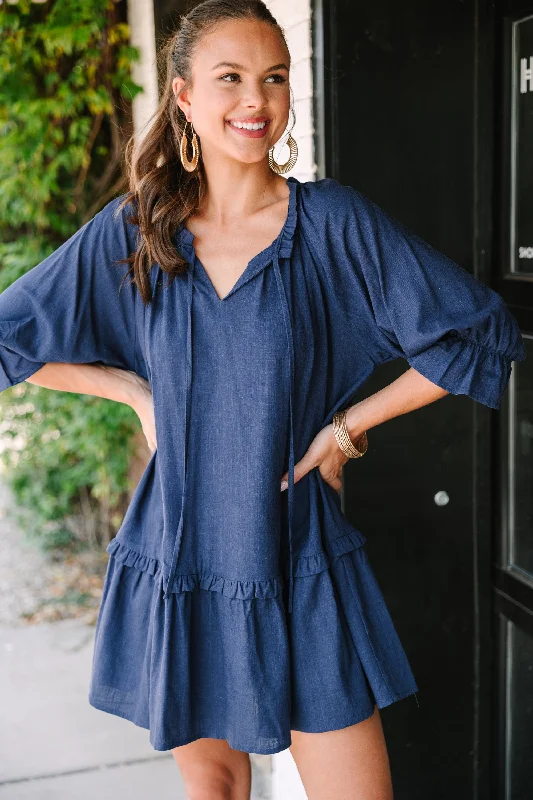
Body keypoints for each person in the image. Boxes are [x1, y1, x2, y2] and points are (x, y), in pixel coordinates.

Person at [0, 1, 525, 797]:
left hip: (298, 554)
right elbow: (15, 336)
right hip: (179, 552)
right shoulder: (134, 233)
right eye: (230, 79)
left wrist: (345, 427)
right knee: (215, 790)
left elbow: (477, 333)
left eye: (272, 78)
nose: (256, 99)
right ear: (183, 97)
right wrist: (132, 390)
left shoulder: (331, 226)